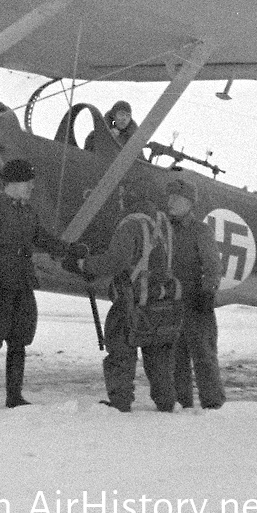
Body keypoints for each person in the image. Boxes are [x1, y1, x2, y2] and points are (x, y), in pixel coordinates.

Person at [0, 159, 83, 409]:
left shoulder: (27, 213)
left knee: (20, 339)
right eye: (27, 181)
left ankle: (14, 396)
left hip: (22, 284)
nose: (31, 186)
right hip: (0, 286)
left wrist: (68, 249)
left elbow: (41, 238)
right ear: (14, 183)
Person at [84, 177, 182, 412]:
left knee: (120, 351)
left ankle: (121, 401)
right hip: (162, 302)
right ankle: (167, 401)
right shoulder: (164, 223)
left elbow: (115, 261)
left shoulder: (130, 224)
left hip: (132, 300)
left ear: (131, 197)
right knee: (159, 355)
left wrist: (85, 265)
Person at [165, 174, 226, 410]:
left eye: (177, 198)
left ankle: (213, 404)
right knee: (175, 356)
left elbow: (212, 265)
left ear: (190, 203)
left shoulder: (200, 231)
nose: (171, 202)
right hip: (172, 302)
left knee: (204, 355)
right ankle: (182, 403)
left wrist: (208, 292)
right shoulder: (163, 228)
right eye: (169, 197)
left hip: (196, 302)